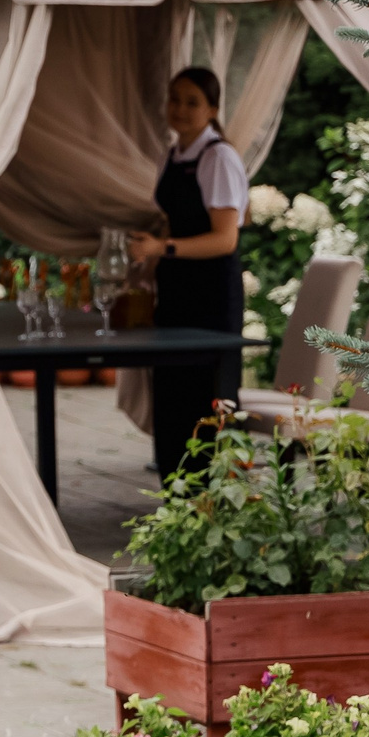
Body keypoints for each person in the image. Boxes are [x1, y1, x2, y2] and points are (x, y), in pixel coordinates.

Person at [132, 65, 248, 478]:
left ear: (213, 109)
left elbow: (224, 239)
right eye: (175, 98)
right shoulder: (177, 152)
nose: (180, 108)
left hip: (209, 300)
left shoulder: (218, 158)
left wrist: (162, 248)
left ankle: (205, 510)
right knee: (172, 399)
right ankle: (175, 503)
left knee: (201, 403)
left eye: (192, 102)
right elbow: (180, 222)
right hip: (178, 293)